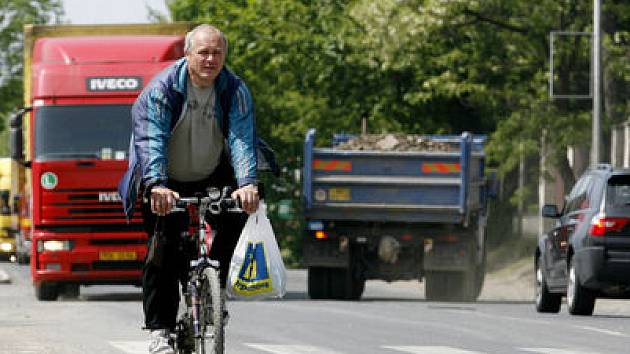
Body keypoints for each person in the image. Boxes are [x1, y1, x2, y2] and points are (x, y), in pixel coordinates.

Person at [118, 24, 259, 354]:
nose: (211, 59)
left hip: (212, 170)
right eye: (203, 52)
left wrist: (247, 184)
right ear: (187, 55)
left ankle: (214, 291)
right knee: (162, 251)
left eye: (217, 53)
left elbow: (241, 139)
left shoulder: (233, 90)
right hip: (166, 177)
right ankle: (160, 331)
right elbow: (151, 141)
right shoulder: (161, 90)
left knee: (242, 209)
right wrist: (156, 185)